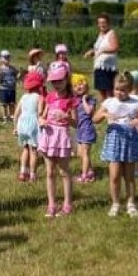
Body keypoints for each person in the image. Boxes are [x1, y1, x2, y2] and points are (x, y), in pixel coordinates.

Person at [94, 69, 138, 218]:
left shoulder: (135, 102)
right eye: (117, 89)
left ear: (130, 89)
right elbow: (95, 118)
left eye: (123, 90)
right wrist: (105, 114)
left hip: (129, 142)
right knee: (114, 176)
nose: (119, 93)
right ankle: (116, 203)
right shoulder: (109, 102)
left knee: (129, 176)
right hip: (114, 141)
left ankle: (131, 203)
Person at [37, 62, 77, 217]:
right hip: (48, 136)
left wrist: (67, 117)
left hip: (62, 137)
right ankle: (51, 204)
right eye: (54, 81)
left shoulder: (71, 99)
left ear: (66, 79)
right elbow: (43, 115)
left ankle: (67, 204)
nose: (57, 84)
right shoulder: (49, 97)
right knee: (49, 172)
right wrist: (41, 121)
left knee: (64, 172)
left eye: (60, 80)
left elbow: (76, 123)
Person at [14, 71, 43, 183]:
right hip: (33, 125)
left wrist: (15, 127)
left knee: (25, 148)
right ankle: (32, 175)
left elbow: (16, 113)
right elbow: (40, 112)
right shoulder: (39, 97)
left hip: (22, 124)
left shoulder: (23, 97)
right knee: (34, 151)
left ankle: (22, 172)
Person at [84, 13, 119, 99]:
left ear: (108, 23)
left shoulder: (111, 33)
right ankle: (105, 108)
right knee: (101, 90)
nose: (102, 25)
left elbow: (115, 47)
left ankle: (111, 109)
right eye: (100, 23)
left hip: (107, 68)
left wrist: (103, 50)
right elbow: (98, 49)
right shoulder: (100, 34)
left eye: (104, 22)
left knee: (109, 91)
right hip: (99, 67)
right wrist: (91, 52)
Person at [72, 73, 97, 184]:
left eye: (81, 84)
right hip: (79, 129)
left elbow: (89, 112)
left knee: (85, 153)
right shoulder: (74, 100)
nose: (79, 86)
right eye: (76, 85)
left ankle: (84, 176)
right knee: (80, 153)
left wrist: (84, 100)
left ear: (86, 85)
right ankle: (90, 171)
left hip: (87, 129)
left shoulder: (91, 99)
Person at [0, 50, 18, 123]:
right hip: (3, 89)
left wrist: (20, 75)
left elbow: (17, 75)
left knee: (12, 103)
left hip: (12, 89)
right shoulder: (0, 69)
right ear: (1, 59)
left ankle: (12, 116)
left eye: (8, 57)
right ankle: (5, 117)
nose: (7, 59)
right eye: (5, 58)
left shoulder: (13, 68)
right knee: (4, 104)